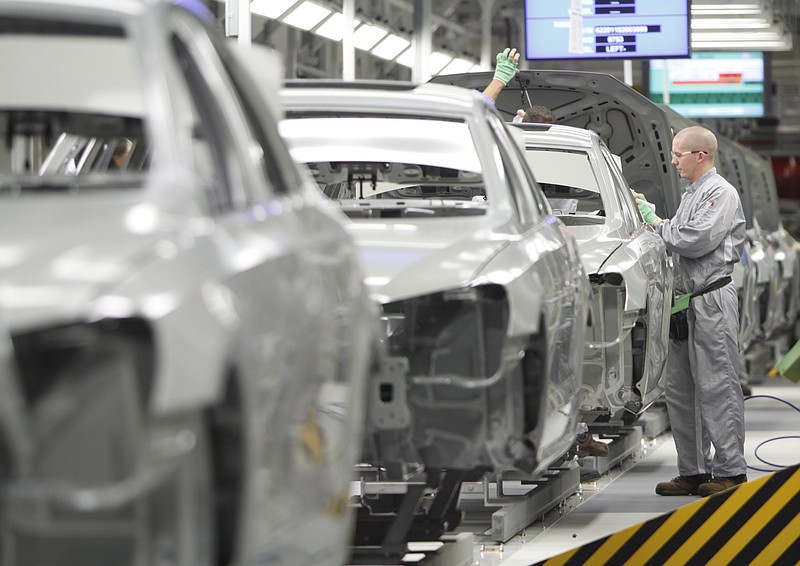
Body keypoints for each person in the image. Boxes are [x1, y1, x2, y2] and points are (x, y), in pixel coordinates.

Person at [636, 126, 748, 497]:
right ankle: (695, 471)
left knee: (717, 385)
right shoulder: (692, 194)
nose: (673, 161)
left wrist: (654, 222)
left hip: (711, 301)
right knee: (682, 390)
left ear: (700, 155)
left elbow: (694, 240)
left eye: (678, 154)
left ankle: (731, 471)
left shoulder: (720, 193)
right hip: (685, 303)